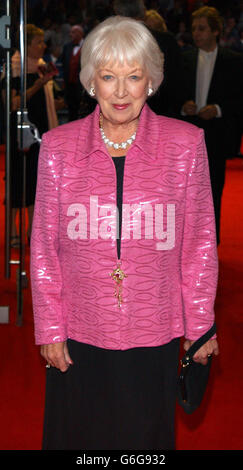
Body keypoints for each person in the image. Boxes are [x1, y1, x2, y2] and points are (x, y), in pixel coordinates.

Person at [30, 15, 219, 451]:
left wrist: (201, 326)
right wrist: (50, 329)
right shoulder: (58, 148)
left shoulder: (185, 145)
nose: (120, 91)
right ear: (91, 80)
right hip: (78, 330)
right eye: (108, 76)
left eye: (133, 77)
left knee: (143, 446)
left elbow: (200, 244)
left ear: (150, 80)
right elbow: (43, 248)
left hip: (154, 328)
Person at [181, 6, 243, 244]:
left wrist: (217, 109)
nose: (196, 33)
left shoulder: (234, 61)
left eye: (202, 28)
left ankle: (209, 244)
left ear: (216, 31)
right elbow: (173, 94)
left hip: (217, 134)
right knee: (186, 191)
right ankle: (187, 242)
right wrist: (182, 105)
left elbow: (239, 98)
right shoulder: (184, 59)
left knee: (214, 189)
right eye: (194, 28)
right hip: (187, 135)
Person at [5, 24, 58, 247]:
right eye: (38, 42)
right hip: (20, 134)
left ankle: (31, 231)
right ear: (26, 45)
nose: (43, 45)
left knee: (38, 183)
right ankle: (13, 232)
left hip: (41, 133)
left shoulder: (41, 67)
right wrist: (38, 85)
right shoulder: (14, 68)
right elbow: (13, 103)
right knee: (18, 182)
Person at [113, 0, 184, 118]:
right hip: (162, 116)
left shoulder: (109, 43)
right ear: (143, 12)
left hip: (120, 116)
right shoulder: (167, 41)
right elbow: (177, 84)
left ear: (117, 13)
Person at [60, 24, 85, 121]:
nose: (70, 34)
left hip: (82, 84)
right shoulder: (67, 47)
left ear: (80, 33)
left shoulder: (88, 46)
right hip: (69, 84)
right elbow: (63, 64)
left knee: (82, 109)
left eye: (73, 32)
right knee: (71, 109)